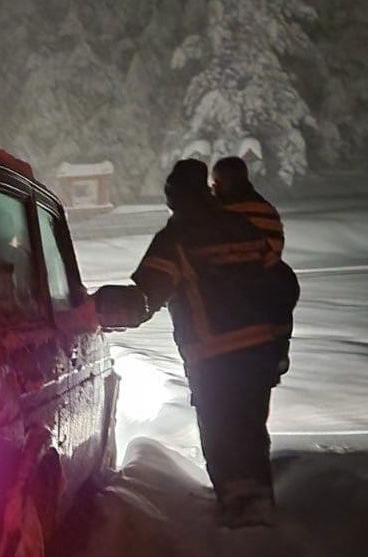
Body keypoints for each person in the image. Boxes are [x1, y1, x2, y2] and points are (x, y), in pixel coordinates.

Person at [127, 159, 285, 527]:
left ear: (175, 197)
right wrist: (277, 343)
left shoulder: (175, 238)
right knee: (251, 427)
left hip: (213, 354)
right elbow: (275, 280)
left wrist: (105, 310)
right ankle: (260, 506)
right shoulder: (241, 227)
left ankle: (238, 517)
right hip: (259, 349)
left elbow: (148, 293)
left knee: (220, 430)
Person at [212, 156, 299, 378]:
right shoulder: (265, 209)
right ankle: (279, 349)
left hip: (225, 292)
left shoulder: (215, 213)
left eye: (217, 182)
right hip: (265, 285)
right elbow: (275, 248)